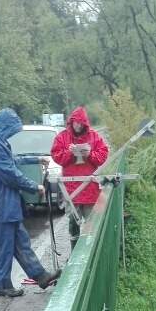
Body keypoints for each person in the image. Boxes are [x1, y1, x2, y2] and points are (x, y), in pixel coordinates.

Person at [0, 107, 62, 298]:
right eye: (12, 130)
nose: (12, 134)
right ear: (4, 125)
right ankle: (3, 285)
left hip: (2, 202)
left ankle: (40, 276)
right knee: (2, 246)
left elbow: (10, 160)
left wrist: (35, 159)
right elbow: (8, 172)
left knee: (21, 241)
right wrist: (33, 186)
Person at [50, 106, 109, 249]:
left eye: (81, 123)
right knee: (73, 224)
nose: (78, 125)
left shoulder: (94, 137)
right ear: (71, 122)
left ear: (85, 123)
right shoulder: (62, 137)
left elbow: (103, 156)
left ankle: (91, 250)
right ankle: (74, 253)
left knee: (92, 224)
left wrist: (90, 154)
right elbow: (56, 156)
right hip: (71, 191)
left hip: (90, 189)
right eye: (76, 122)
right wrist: (69, 153)